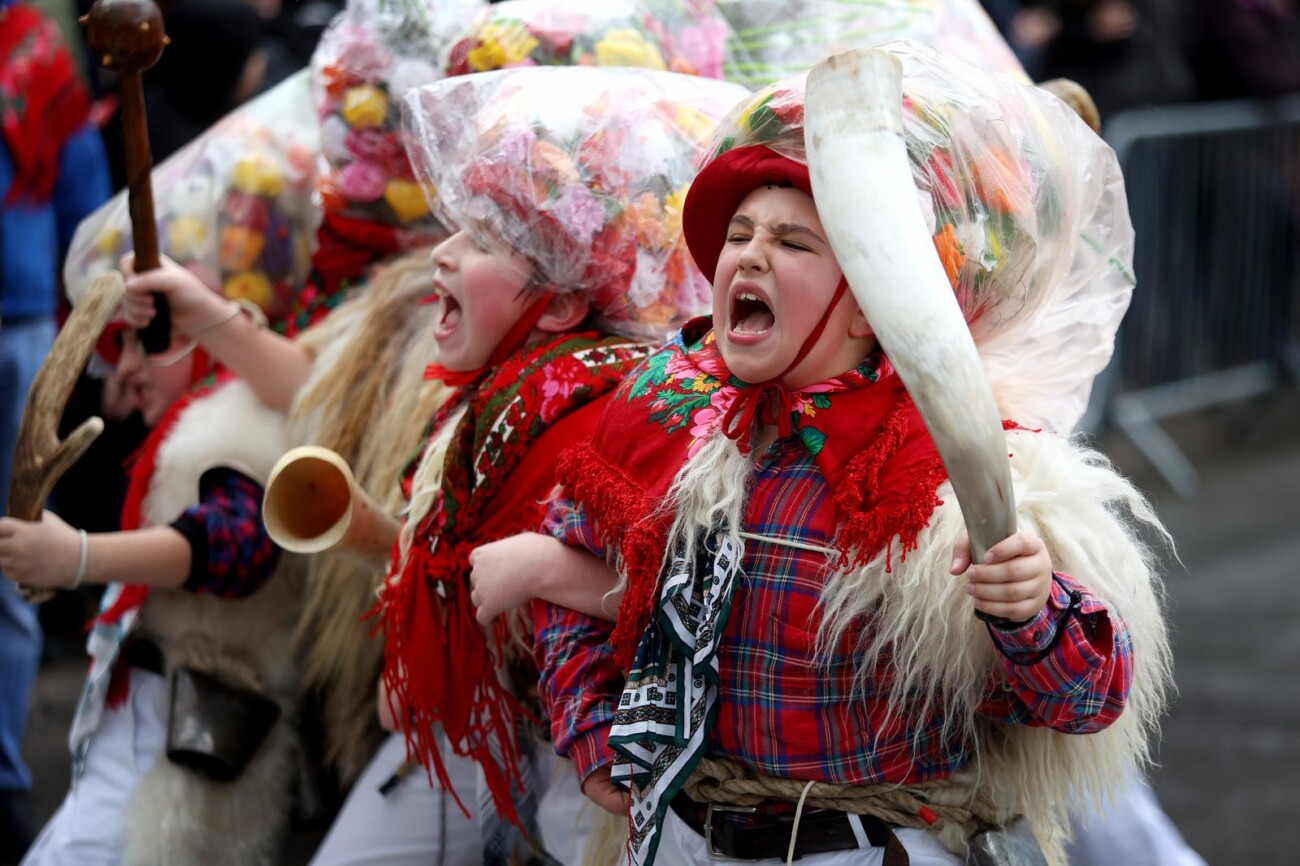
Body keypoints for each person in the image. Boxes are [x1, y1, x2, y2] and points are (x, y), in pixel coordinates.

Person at [521, 42, 1171, 865]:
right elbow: (571, 578)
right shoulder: (663, 414)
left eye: (794, 242)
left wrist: (1029, 608)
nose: (749, 253)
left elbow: (1092, 698)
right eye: (741, 233)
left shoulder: (963, 477)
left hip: (866, 847)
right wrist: (588, 733)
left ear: (874, 306)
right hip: (680, 841)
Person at [315, 66, 748, 866]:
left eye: (481, 240)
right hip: (518, 754)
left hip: (598, 789)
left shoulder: (599, 417)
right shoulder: (505, 398)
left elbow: (711, 606)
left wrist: (547, 567)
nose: (440, 255)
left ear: (556, 306)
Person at [4, 289, 307, 865]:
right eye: (119, 351)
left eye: (151, 344)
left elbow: (240, 546)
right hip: (148, 716)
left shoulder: (236, 425)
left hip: (187, 730)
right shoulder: (180, 424)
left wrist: (79, 557)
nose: (127, 368)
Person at [0, 0, 110, 857]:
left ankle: (1, 774)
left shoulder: (33, 38)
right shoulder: (38, 35)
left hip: (25, 319)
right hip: (29, 312)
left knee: (12, 551)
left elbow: (82, 190)